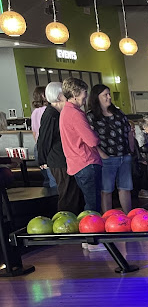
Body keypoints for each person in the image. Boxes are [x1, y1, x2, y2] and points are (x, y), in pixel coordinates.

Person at [87, 85, 136, 214]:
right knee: (106, 190)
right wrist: (102, 154)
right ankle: (108, 218)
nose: (109, 97)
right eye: (105, 95)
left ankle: (128, 216)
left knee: (125, 188)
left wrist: (131, 149)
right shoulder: (92, 116)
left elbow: (128, 130)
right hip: (107, 157)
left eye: (109, 94)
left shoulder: (117, 112)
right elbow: (89, 138)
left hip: (124, 155)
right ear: (96, 97)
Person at [36, 82, 83, 214]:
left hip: (62, 159)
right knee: (67, 194)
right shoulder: (52, 115)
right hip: (58, 160)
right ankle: (66, 223)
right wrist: (42, 160)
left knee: (71, 193)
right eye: (64, 93)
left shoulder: (57, 113)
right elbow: (44, 139)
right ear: (58, 96)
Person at [60, 77, 103, 213]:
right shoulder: (75, 114)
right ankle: (92, 233)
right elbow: (92, 141)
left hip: (76, 163)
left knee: (89, 202)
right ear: (74, 94)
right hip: (87, 162)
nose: (86, 95)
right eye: (84, 92)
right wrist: (96, 135)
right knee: (93, 205)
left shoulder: (65, 112)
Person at [31, 86, 56, 189]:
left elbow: (34, 132)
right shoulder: (49, 110)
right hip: (49, 147)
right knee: (54, 179)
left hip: (38, 147)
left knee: (46, 179)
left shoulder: (34, 112)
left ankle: (48, 200)